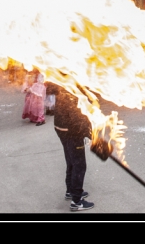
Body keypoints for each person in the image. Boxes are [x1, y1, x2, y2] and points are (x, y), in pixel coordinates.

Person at [46, 83, 94, 211]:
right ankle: (76, 201)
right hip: (72, 130)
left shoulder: (64, 80)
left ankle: (70, 191)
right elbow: (77, 117)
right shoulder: (73, 88)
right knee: (79, 165)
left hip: (60, 126)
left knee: (71, 160)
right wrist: (88, 133)